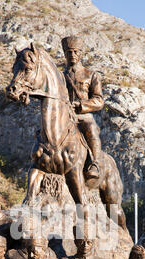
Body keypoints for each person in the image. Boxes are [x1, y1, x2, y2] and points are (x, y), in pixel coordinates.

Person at [61, 35, 104, 180]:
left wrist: (82, 105)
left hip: (82, 115)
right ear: (65, 54)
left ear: (80, 53)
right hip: (64, 116)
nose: (72, 55)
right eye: (69, 52)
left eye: (75, 51)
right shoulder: (60, 76)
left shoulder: (91, 75)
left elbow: (98, 100)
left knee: (90, 127)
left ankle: (95, 164)